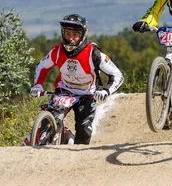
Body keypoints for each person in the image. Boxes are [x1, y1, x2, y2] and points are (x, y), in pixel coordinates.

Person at [29, 14, 124, 145]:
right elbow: (42, 67)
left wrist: (106, 90)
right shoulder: (56, 51)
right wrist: (38, 85)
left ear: (83, 34)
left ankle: (75, 155)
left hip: (87, 94)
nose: (71, 38)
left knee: (84, 130)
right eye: (67, 34)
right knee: (50, 122)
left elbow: (117, 75)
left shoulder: (93, 53)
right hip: (64, 90)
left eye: (75, 34)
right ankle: (46, 148)